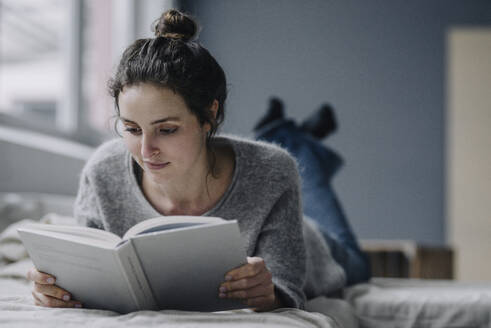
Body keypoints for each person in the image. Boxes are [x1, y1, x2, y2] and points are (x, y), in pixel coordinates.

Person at [26, 9, 368, 312]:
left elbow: (286, 287)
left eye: (168, 130)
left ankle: (295, 140)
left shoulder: (273, 171)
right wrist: (55, 288)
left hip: (320, 251)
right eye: (131, 128)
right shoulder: (103, 171)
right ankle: (288, 132)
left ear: (209, 115)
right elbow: (85, 274)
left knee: (357, 261)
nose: (146, 151)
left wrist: (269, 293)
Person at [253, 98, 371, 286]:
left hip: (299, 243)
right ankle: (293, 139)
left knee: (356, 263)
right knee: (358, 265)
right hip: (305, 245)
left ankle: (292, 139)